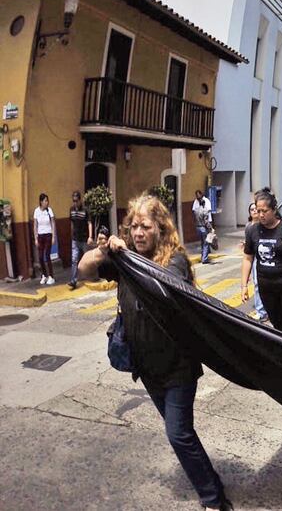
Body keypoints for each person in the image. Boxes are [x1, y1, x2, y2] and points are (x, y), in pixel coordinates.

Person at [76, 195, 232, 510]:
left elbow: (167, 288)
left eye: (145, 226)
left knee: (177, 434)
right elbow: (84, 272)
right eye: (133, 226)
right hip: (146, 367)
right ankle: (212, 484)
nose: (138, 233)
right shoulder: (124, 257)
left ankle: (215, 500)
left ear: (159, 228)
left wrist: (127, 259)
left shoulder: (173, 258)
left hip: (178, 366)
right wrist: (103, 251)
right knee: (182, 434)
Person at [241, 188, 282, 339]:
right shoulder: (253, 231)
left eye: (264, 211)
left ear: (274, 210)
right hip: (267, 288)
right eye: (258, 211)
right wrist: (244, 285)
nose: (261, 215)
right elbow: (248, 258)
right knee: (278, 328)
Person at [244, 202, 269, 324]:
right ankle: (261, 311)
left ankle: (267, 309)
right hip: (254, 259)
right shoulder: (249, 227)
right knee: (257, 285)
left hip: (264, 257)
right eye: (252, 209)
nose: (254, 211)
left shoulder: (264, 225)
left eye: (256, 209)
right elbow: (247, 254)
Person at [68, 190, 92, 289]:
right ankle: (74, 280)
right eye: (73, 201)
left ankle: (91, 276)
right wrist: (71, 233)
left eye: (76, 201)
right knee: (74, 260)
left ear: (80, 200)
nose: (75, 203)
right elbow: (72, 223)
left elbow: (89, 223)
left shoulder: (85, 210)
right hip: (75, 239)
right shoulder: (72, 210)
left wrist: (90, 236)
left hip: (84, 238)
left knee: (87, 258)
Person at [33, 193, 55, 284]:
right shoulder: (36, 211)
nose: (47, 202)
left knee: (47, 255)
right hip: (40, 235)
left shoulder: (49, 210)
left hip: (48, 235)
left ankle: (51, 276)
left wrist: (54, 236)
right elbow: (35, 225)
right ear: (41, 202)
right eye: (45, 200)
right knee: (40, 257)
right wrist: (35, 238)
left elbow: (53, 223)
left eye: (47, 200)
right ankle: (44, 275)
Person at [191, 190, 213, 264]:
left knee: (202, 242)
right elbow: (206, 221)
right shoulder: (204, 211)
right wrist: (211, 229)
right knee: (206, 243)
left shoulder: (196, 210)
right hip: (204, 227)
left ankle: (203, 256)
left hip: (198, 227)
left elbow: (194, 215)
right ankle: (204, 258)